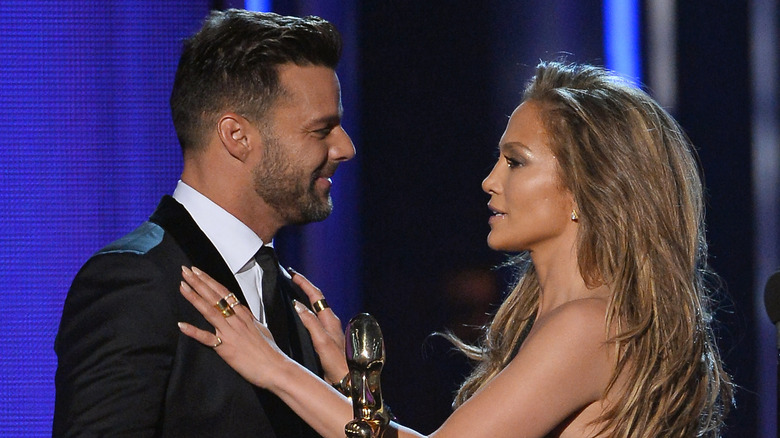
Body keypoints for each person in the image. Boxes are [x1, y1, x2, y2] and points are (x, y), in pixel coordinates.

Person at [176, 61, 733, 437]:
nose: (490, 181)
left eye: (515, 162)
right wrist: (352, 392)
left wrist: (272, 367)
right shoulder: (560, 317)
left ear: (588, 188)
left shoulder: (591, 325)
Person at [53, 9, 355, 437]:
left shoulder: (296, 303)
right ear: (237, 136)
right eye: (321, 129)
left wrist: (347, 391)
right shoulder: (135, 282)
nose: (346, 147)